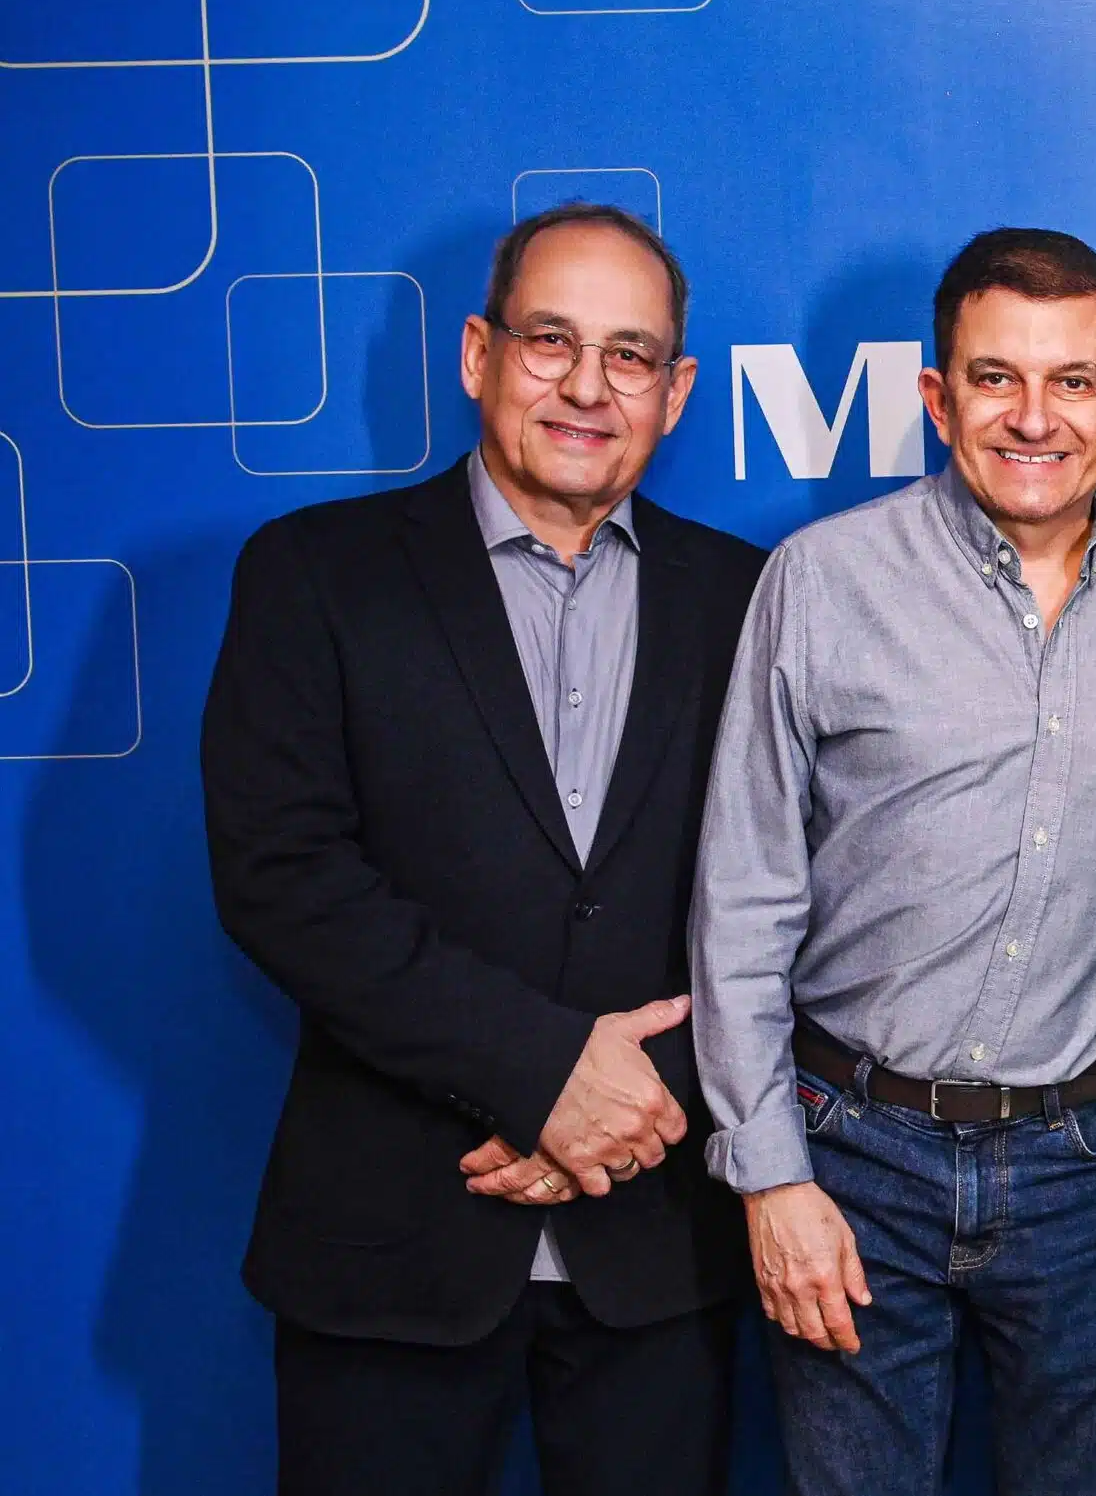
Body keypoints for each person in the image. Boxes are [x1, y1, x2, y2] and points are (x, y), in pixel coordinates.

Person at [202, 202, 766, 1496]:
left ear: (676, 391)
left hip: (657, 1242)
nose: (588, 386)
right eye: (551, 339)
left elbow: (795, 903)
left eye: (630, 355)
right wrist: (542, 1072)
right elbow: (283, 877)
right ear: (478, 353)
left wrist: (638, 1099)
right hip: (391, 1242)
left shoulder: (751, 599)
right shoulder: (314, 575)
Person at [688, 228, 1096, 1496]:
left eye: (1072, 381)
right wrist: (769, 1177)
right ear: (937, 398)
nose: (1034, 417)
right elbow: (743, 896)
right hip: (851, 1152)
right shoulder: (821, 581)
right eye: (997, 378)